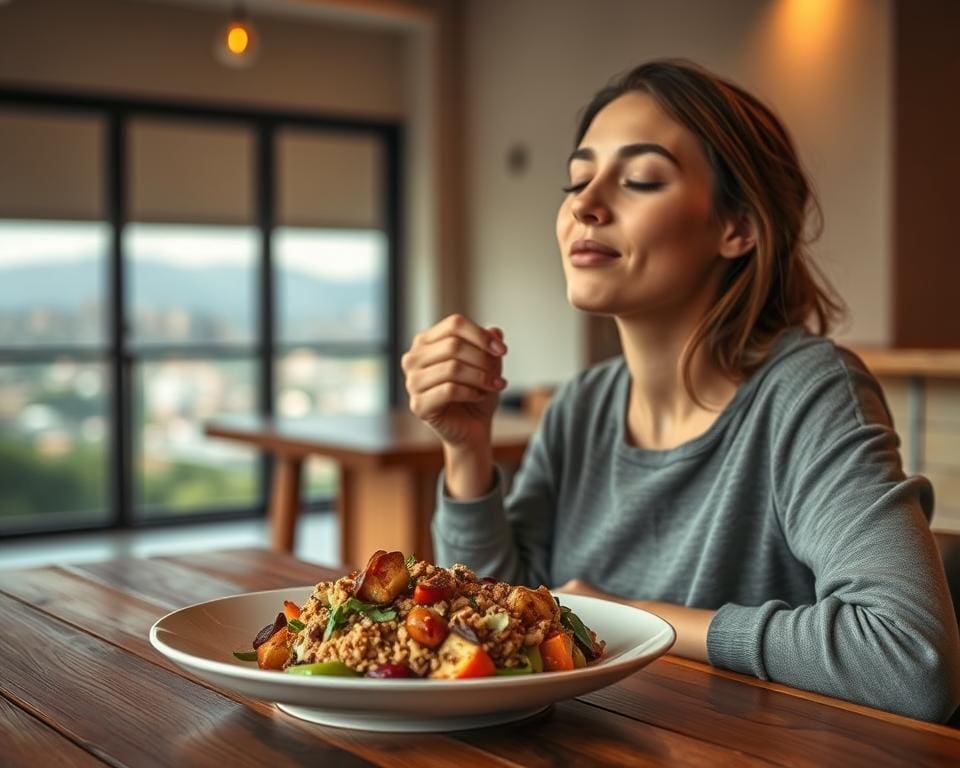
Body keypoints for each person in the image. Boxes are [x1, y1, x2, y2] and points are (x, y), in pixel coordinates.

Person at [399, 59, 960, 722]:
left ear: (738, 228)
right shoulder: (580, 408)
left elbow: (909, 659)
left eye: (639, 178)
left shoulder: (807, 392)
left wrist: (633, 621)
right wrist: (467, 452)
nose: (586, 203)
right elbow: (493, 632)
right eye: (577, 180)